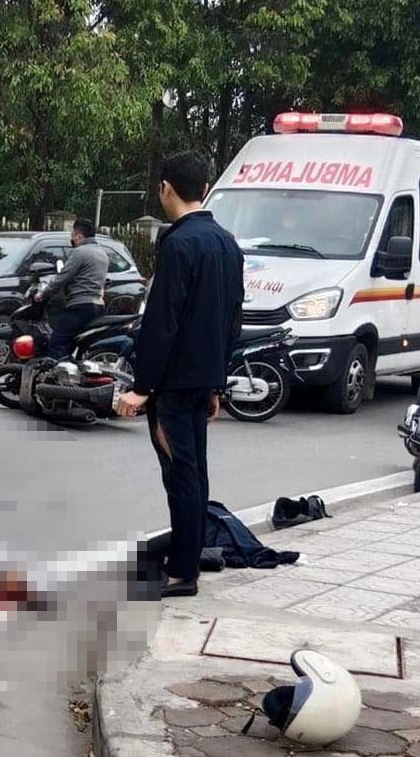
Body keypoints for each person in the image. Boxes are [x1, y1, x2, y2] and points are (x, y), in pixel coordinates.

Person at [113, 152, 243, 599]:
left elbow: (162, 323)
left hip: (172, 385)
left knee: (180, 476)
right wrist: (217, 383)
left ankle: (182, 572)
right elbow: (231, 321)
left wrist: (142, 388)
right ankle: (188, 558)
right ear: (204, 188)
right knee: (196, 472)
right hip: (203, 380)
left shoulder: (178, 243)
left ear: (166, 188)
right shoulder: (227, 243)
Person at [41, 218, 109, 360]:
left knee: (57, 342)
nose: (71, 239)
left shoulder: (79, 252)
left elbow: (63, 277)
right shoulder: (102, 254)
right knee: (75, 341)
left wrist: (43, 293)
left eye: (72, 236)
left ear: (79, 236)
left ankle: (56, 377)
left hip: (79, 307)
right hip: (98, 306)